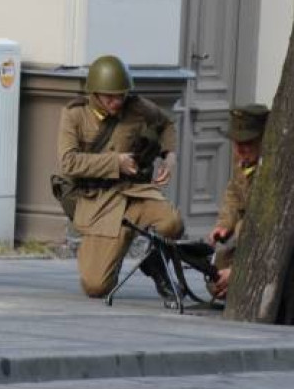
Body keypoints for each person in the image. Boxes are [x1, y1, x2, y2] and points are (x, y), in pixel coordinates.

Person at [56, 54, 183, 298]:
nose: (117, 102)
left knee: (172, 223)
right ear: (95, 94)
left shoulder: (136, 108)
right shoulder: (74, 115)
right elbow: (68, 162)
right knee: (96, 287)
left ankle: (154, 261)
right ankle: (105, 251)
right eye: (110, 97)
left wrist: (169, 157)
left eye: (121, 95)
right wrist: (116, 162)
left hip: (134, 193)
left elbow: (166, 124)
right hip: (98, 203)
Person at [206, 104, 270, 300]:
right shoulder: (243, 161)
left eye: (247, 142)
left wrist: (237, 272)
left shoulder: (272, 167)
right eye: (236, 142)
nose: (240, 149)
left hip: (260, 239)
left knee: (243, 229)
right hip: (244, 235)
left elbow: (264, 227)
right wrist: (224, 225)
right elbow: (233, 194)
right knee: (215, 281)